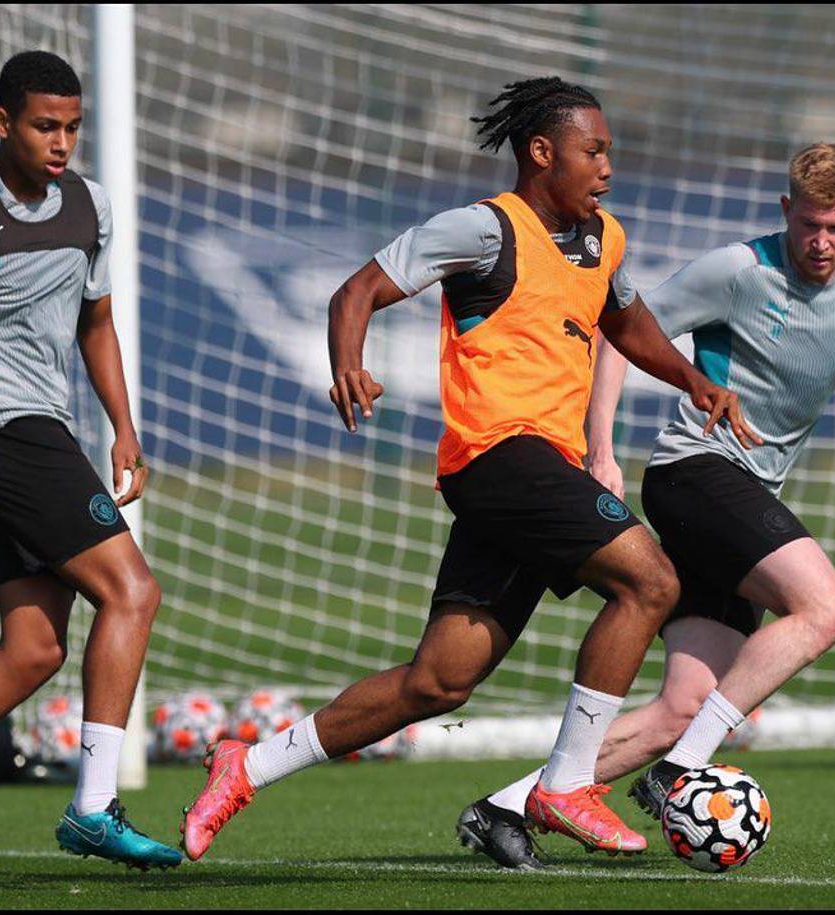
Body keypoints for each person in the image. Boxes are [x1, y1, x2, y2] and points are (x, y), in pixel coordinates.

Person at [181, 76, 757, 861]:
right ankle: (566, 783)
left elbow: (626, 321)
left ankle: (244, 766)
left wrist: (692, 379)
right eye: (593, 151)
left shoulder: (604, 239)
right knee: (651, 581)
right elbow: (356, 291)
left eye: (609, 152)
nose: (607, 167)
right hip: (497, 454)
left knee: (440, 681)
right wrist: (348, 362)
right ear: (542, 152)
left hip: (539, 469)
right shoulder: (485, 230)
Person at [461, 143, 835, 869]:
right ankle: (680, 772)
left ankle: (505, 807)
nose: (821, 242)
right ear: (786, 211)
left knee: (684, 708)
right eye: (809, 224)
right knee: (826, 610)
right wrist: (601, 448)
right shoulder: (737, 270)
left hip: (746, 493)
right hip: (695, 472)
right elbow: (615, 331)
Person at [0, 51, 179, 868]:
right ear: (3, 122)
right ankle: (93, 807)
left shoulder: (91, 206)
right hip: (0, 430)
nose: (61, 142)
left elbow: (97, 322)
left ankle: (90, 806)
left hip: (41, 427)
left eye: (73, 128)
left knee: (33, 649)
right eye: (45, 126)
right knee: (133, 589)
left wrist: (123, 425)